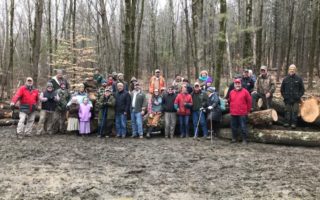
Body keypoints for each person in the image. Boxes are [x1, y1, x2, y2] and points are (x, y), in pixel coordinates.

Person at [280, 64, 304, 129]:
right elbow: (282, 89)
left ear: (295, 70)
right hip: (287, 99)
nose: (292, 70)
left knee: (295, 112)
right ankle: (286, 123)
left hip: (296, 99)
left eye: (293, 69)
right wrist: (285, 96)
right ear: (288, 70)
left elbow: (302, 90)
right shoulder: (285, 79)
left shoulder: (299, 79)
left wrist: (298, 96)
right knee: (287, 111)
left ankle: (294, 124)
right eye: (291, 69)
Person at [229, 78, 252, 144]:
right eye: (236, 84)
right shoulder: (231, 92)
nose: (237, 85)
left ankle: (245, 139)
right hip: (233, 112)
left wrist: (248, 110)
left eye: (238, 84)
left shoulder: (245, 91)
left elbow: (249, 102)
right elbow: (230, 101)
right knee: (233, 127)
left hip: (242, 113)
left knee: (243, 126)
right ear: (234, 85)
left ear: (241, 84)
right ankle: (234, 138)